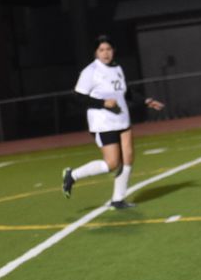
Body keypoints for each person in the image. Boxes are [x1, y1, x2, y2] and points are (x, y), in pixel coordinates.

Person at [62, 35, 164, 209]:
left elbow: (126, 92)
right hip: (103, 123)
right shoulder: (91, 71)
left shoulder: (117, 67)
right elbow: (77, 97)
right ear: (96, 52)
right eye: (101, 50)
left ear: (113, 50)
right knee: (112, 164)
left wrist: (145, 101)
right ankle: (72, 175)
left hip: (122, 119)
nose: (106, 53)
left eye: (108, 49)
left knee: (128, 158)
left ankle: (118, 199)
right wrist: (102, 103)